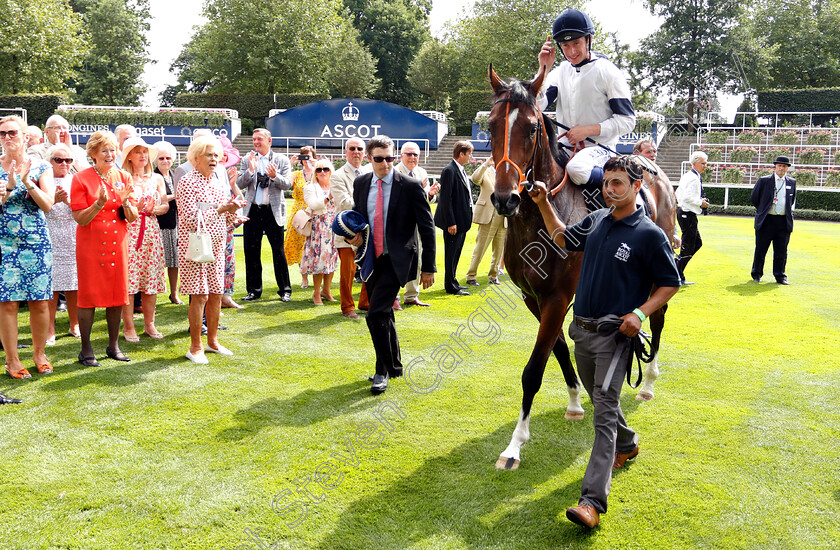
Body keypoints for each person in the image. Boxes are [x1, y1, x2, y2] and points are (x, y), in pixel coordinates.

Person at [529, 154, 681, 529]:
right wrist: (543, 203)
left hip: (616, 335)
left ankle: (591, 502)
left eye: (618, 183)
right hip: (581, 330)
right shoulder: (597, 219)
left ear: (636, 187)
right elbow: (562, 236)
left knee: (603, 413)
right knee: (602, 399)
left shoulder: (649, 234)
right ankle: (628, 444)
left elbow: (670, 282)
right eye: (607, 182)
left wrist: (640, 313)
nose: (609, 189)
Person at [347, 135, 436, 394]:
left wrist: (428, 267)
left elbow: (427, 227)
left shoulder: (409, 185)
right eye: (379, 159)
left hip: (397, 260)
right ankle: (395, 365)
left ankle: (382, 369)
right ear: (369, 158)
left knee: (374, 315)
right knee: (384, 313)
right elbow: (358, 216)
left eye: (389, 158)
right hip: (370, 258)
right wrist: (353, 235)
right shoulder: (361, 183)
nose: (385, 163)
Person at [536, 8, 636, 208]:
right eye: (565, 45)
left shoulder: (608, 72)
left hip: (600, 148)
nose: (571, 51)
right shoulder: (559, 72)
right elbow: (536, 105)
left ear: (589, 39)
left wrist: (587, 131)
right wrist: (543, 69)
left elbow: (627, 121)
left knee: (577, 168)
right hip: (564, 148)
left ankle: (623, 184)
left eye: (576, 43)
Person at [71, 130, 138, 366]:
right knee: (88, 296)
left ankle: (113, 345)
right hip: (90, 245)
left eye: (112, 150)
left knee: (117, 295)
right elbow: (80, 218)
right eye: (104, 151)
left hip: (118, 244)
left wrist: (126, 201)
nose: (110, 154)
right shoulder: (81, 178)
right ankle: (86, 349)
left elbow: (132, 217)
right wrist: (99, 203)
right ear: (93, 154)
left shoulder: (123, 177)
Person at [177, 136, 244, 364]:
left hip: (217, 244)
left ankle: (213, 342)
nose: (214, 159)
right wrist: (220, 209)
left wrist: (234, 216)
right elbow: (187, 218)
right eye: (209, 155)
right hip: (196, 245)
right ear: (196, 158)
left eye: (216, 155)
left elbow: (222, 212)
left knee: (216, 293)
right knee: (200, 295)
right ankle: (195, 347)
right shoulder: (187, 182)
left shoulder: (216, 180)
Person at [0, 115, 56, 378]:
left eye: (12, 132)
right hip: (4, 244)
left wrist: (26, 182)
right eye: (2, 134)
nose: (7, 137)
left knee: (40, 301)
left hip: (36, 241)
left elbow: (47, 204)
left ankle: (39, 353)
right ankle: (12, 359)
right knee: (8, 303)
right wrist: (9, 187)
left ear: (24, 136)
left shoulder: (41, 166)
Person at [236, 128, 292, 302]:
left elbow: (288, 184)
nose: (256, 142)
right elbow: (239, 183)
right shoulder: (247, 159)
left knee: (278, 252)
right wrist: (250, 171)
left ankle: (285, 290)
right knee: (251, 252)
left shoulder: (282, 160)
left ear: (269, 141)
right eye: (254, 139)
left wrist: (275, 177)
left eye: (259, 139)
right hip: (252, 209)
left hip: (273, 211)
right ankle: (253, 290)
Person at [120, 137, 167, 340]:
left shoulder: (157, 178)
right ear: (129, 156)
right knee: (129, 281)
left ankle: (150, 324)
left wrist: (153, 209)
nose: (142, 155)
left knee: (151, 280)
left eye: (145, 152)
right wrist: (134, 209)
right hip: (129, 231)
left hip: (151, 231)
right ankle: (128, 326)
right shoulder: (122, 177)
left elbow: (165, 205)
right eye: (137, 151)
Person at [330, 137, 371, 319]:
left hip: (367, 231)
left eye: (359, 148)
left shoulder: (370, 172)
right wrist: (371, 203)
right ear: (345, 152)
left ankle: (365, 303)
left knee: (369, 269)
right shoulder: (338, 176)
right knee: (348, 273)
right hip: (347, 232)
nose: (356, 152)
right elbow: (345, 203)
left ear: (364, 152)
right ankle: (347, 307)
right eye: (352, 148)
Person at [395, 141, 439, 307]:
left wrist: (430, 194)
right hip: (399, 224)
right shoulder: (394, 172)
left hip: (418, 224)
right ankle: (393, 297)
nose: (412, 157)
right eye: (409, 154)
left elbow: (424, 202)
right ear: (401, 155)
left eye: (415, 155)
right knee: (398, 259)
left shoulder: (421, 172)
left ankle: (412, 296)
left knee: (417, 259)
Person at [45, 144, 80, 345]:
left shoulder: (77, 180)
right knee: (52, 286)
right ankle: (50, 328)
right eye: (59, 160)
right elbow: (39, 207)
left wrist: (67, 202)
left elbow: (83, 207)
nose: (64, 164)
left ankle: (74, 323)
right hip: (50, 234)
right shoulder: (44, 179)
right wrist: (54, 200)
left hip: (73, 235)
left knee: (74, 284)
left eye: (68, 160)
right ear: (51, 161)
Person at [434, 140, 474, 296]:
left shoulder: (460, 170)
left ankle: (454, 281)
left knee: (456, 253)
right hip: (454, 223)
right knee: (451, 255)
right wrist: (451, 222)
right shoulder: (449, 170)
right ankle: (450, 286)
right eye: (469, 153)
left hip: (462, 221)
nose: (471, 156)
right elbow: (446, 199)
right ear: (461, 153)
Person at [751, 155, 796, 284]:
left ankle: (780, 276)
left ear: (787, 168)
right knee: (761, 249)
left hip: (783, 221)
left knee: (781, 251)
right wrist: (763, 210)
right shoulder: (764, 180)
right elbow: (754, 198)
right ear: (775, 166)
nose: (782, 168)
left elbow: (791, 201)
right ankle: (757, 274)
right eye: (780, 165)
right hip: (766, 220)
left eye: (784, 166)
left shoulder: (791, 182)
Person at [301, 158, 339, 305]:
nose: (322, 172)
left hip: (334, 226)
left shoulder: (336, 186)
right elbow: (314, 204)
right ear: (315, 173)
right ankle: (316, 292)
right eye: (319, 169)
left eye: (326, 169)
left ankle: (327, 290)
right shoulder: (310, 188)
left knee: (332, 260)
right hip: (319, 228)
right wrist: (328, 198)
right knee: (319, 261)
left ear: (331, 172)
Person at [465, 157, 506, 286]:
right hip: (487, 215)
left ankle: (494, 276)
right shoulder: (486, 171)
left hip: (503, 216)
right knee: (480, 248)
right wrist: (485, 165)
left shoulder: (507, 174)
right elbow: (475, 179)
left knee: (499, 249)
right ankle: (471, 276)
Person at [153, 141, 183, 305]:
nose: (165, 161)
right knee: (158, 262)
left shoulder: (175, 175)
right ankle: (154, 296)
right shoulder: (152, 176)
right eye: (161, 158)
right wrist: (174, 196)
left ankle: (174, 293)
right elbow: (156, 199)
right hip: (159, 224)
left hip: (175, 224)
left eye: (168, 158)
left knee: (174, 262)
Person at [674, 151, 709, 285]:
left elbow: (680, 193)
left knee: (696, 243)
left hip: (686, 213)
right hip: (687, 214)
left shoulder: (689, 175)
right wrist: (701, 202)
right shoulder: (693, 178)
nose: (705, 166)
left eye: (705, 163)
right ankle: (677, 272)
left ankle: (679, 269)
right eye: (703, 163)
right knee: (689, 246)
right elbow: (686, 197)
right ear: (694, 163)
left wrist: (700, 200)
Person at [219, 135, 244, 309]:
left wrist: (233, 184)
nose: (222, 160)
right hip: (214, 227)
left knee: (229, 263)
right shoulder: (210, 176)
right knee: (216, 264)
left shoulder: (225, 177)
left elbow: (240, 199)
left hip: (228, 228)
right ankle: (215, 300)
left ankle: (226, 296)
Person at [286, 146, 317, 290]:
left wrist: (316, 164)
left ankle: (317, 277)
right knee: (300, 246)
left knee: (315, 245)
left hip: (315, 210)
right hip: (299, 213)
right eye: (303, 156)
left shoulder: (319, 171)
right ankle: (304, 278)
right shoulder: (296, 174)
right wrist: (289, 164)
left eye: (308, 156)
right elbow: (285, 183)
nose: (306, 160)